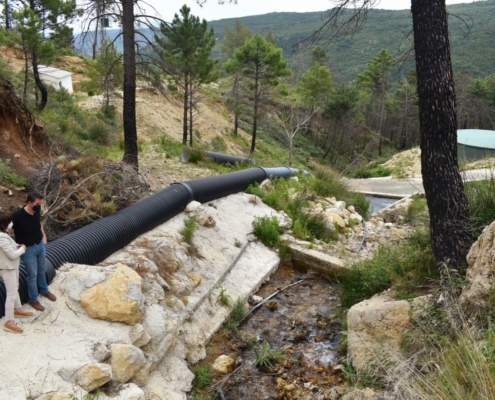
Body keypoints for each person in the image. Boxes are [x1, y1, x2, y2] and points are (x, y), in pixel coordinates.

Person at [11, 192, 56, 311]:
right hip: (28, 249)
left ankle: (44, 290)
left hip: (39, 245)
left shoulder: (36, 212)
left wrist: (44, 237)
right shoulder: (18, 215)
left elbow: (39, 224)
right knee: (32, 275)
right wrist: (15, 245)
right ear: (29, 203)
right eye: (37, 204)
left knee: (42, 270)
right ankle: (33, 299)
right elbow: (7, 230)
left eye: (40, 204)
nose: (39, 206)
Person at [0, 212, 34, 334]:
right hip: (7, 267)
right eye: (8, 222)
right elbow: (12, 255)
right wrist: (22, 249)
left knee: (16, 289)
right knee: (11, 295)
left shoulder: (4, 234)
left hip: (12, 266)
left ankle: (18, 309)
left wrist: (17, 245)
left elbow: (11, 246)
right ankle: (9, 322)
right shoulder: (1, 237)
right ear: (4, 224)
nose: (11, 224)